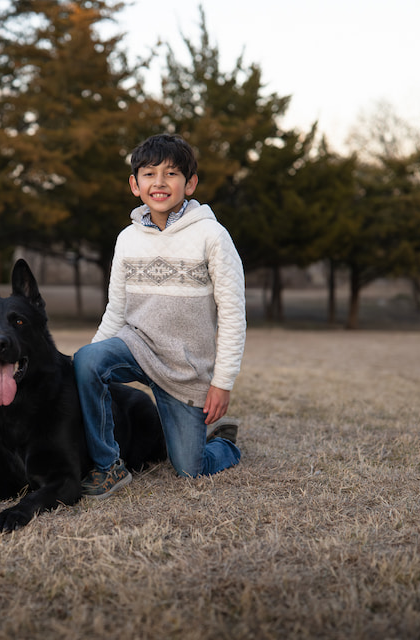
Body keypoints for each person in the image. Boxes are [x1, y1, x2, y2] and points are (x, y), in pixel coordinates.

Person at [75, 133, 245, 498]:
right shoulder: (127, 239)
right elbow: (116, 310)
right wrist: (87, 362)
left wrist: (222, 382)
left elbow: (233, 314)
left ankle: (223, 443)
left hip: (185, 369)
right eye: (149, 174)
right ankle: (108, 465)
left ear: (190, 183)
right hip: (136, 346)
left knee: (190, 469)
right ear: (135, 185)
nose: (160, 182)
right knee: (85, 360)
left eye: (171, 173)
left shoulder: (212, 236)